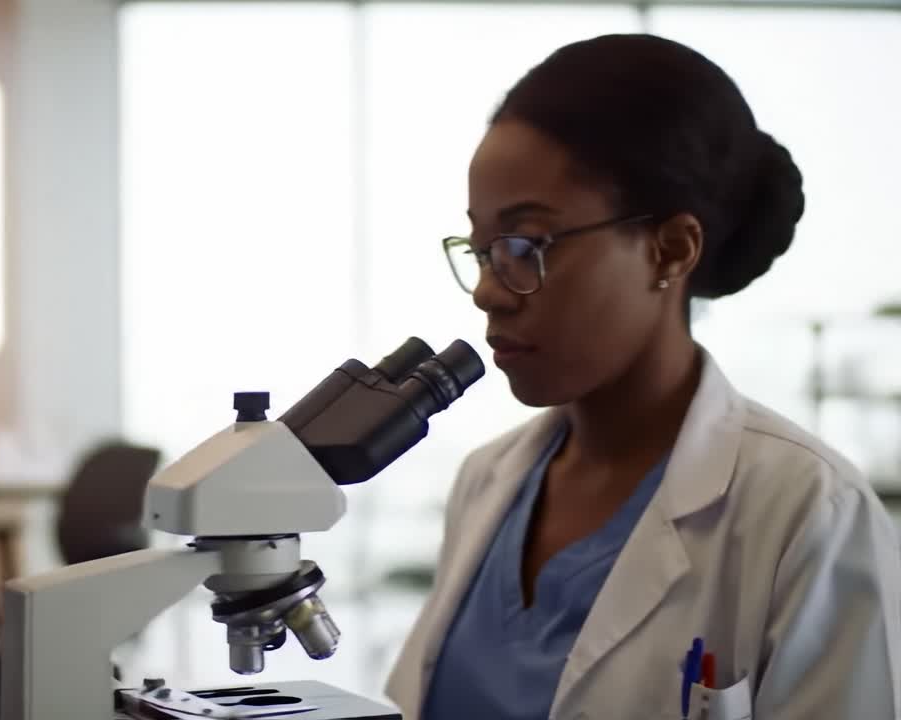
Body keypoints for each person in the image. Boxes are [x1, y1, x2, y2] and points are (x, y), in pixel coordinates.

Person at [385, 33, 901, 720]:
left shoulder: (809, 511)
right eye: (481, 250)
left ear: (671, 250)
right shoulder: (486, 482)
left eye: (525, 245)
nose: (487, 291)